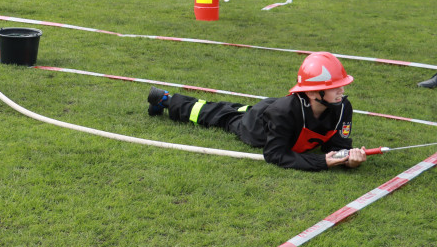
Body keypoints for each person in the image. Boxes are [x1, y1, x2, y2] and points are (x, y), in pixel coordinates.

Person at [146, 52, 367, 171]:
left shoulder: (342, 107)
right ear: (312, 93)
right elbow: (275, 154)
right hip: (255, 125)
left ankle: (169, 100)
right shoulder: (285, 112)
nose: (342, 90)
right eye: (334, 87)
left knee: (231, 108)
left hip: (271, 110)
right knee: (217, 114)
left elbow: (337, 146)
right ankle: (166, 100)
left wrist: (349, 160)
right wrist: (322, 163)